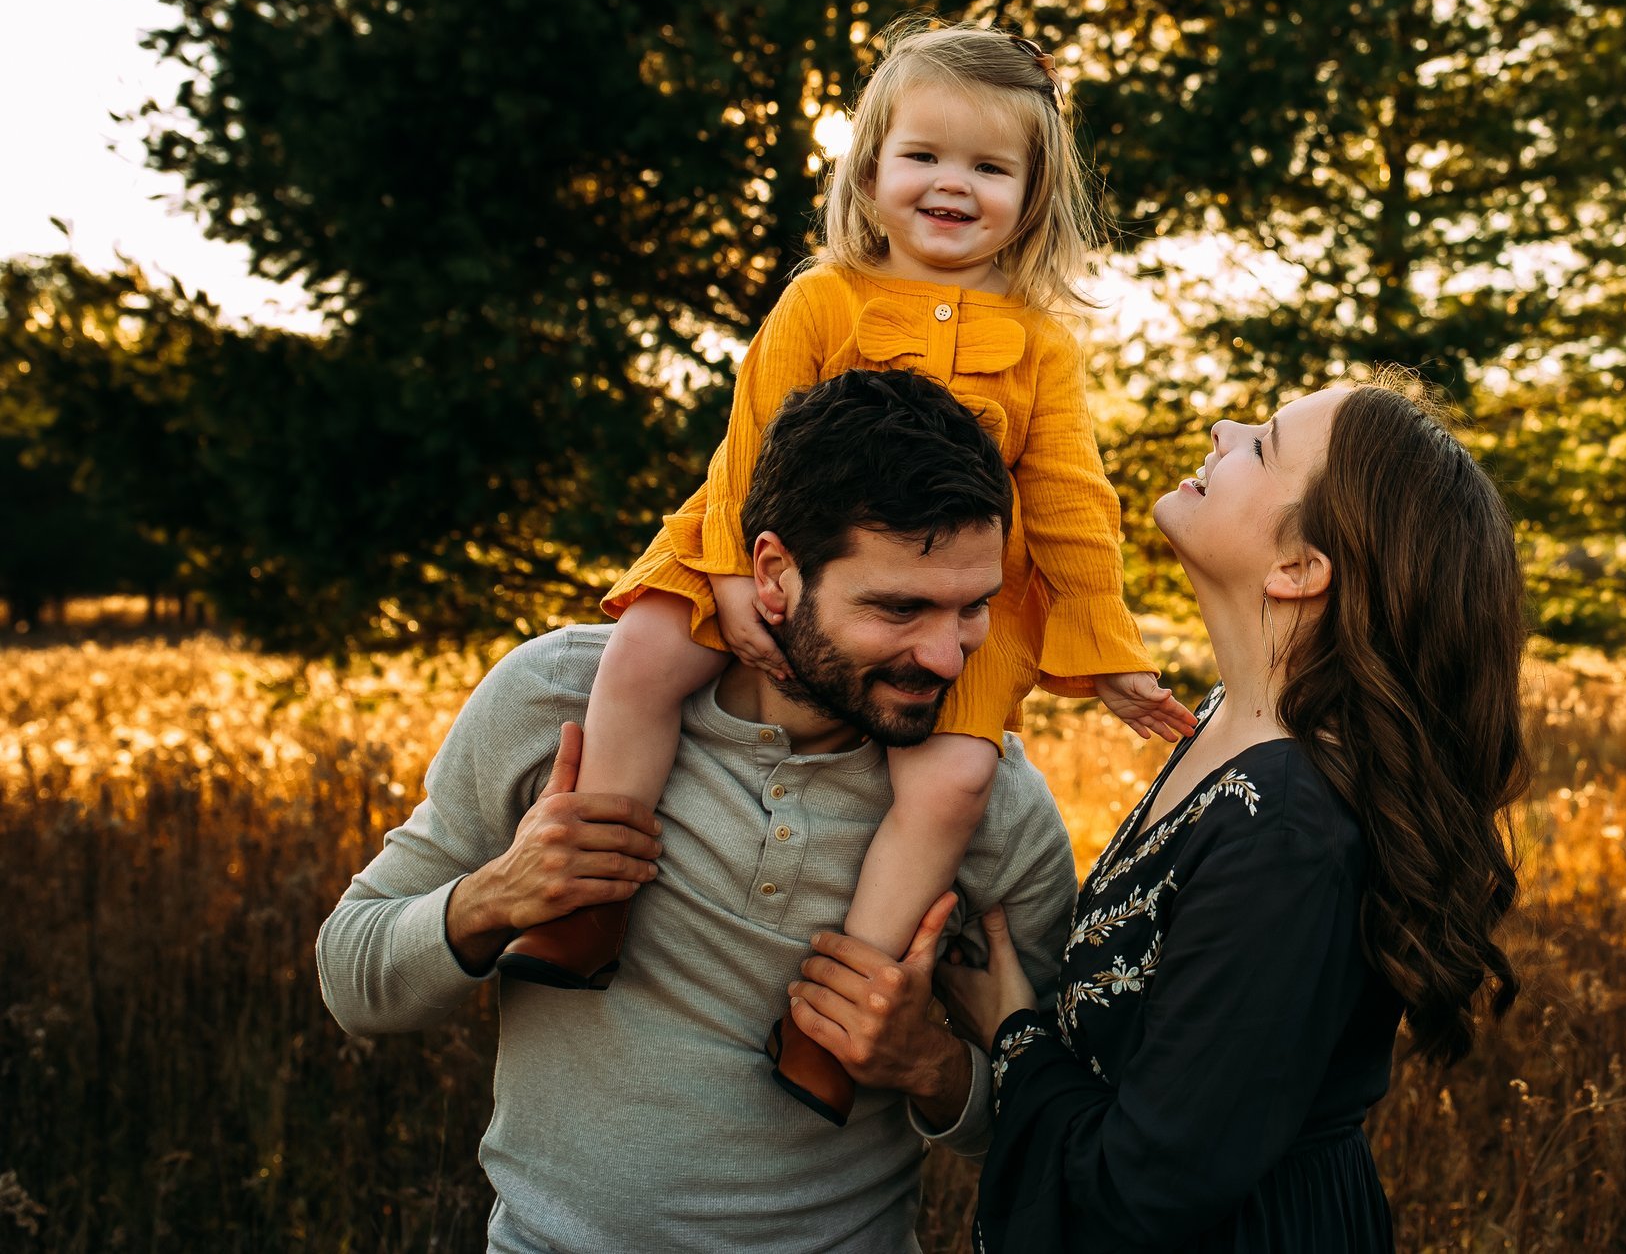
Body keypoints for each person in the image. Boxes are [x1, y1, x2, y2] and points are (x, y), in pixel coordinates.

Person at [500, 20, 1197, 1126]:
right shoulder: (822, 299)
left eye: (988, 166)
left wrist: (1108, 655)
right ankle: (588, 902)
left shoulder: (1038, 343)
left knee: (953, 785)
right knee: (638, 655)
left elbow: (1073, 507)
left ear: (1034, 190)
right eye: (924, 156)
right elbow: (751, 439)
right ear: (871, 170)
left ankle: (838, 1013)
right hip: (749, 533)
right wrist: (732, 575)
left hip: (950, 606)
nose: (951, 186)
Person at [316, 370, 1078, 1253]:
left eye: (972, 608)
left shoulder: (990, 802)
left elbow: (1057, 1128)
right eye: (899, 607)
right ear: (774, 571)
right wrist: (493, 898)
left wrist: (929, 1065)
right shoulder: (560, 696)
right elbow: (351, 977)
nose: (947, 656)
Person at [793, 377, 1531, 1251]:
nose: (1224, 425)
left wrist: (998, 1036)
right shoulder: (1232, 722)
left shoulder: (1290, 830)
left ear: (1299, 568)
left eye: (1263, 444)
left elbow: (1142, 1189)